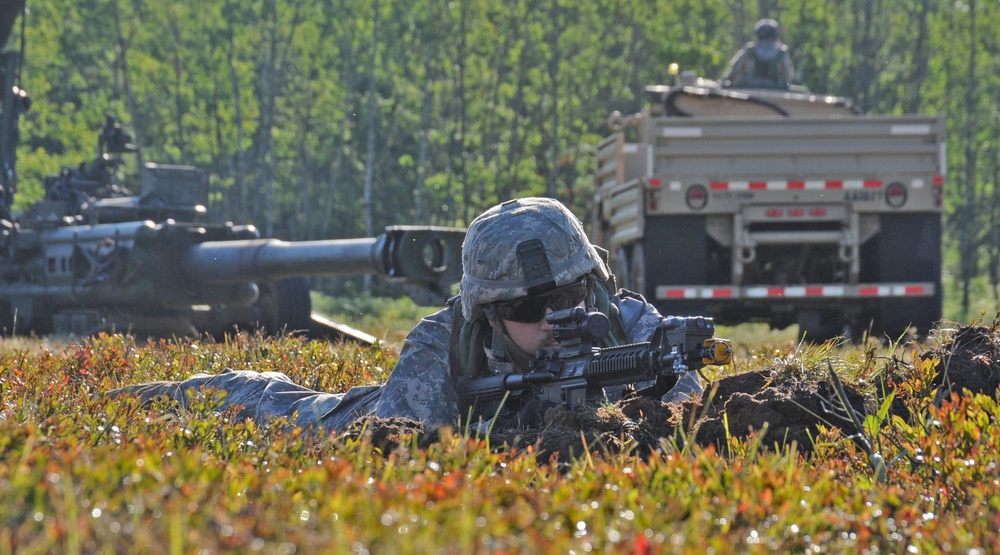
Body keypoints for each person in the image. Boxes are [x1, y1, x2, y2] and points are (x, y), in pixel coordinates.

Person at [110, 197, 703, 433]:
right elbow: (398, 447)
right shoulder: (441, 345)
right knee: (280, 409)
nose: (553, 319)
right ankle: (156, 394)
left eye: (568, 301)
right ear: (488, 315)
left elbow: (687, 413)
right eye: (525, 306)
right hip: (363, 414)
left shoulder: (638, 331)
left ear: (592, 288)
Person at [720, 18, 794, 89]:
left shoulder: (750, 50)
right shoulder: (781, 52)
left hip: (750, 89)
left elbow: (734, 71)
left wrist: (725, 82)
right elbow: (788, 76)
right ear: (775, 36)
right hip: (775, 89)